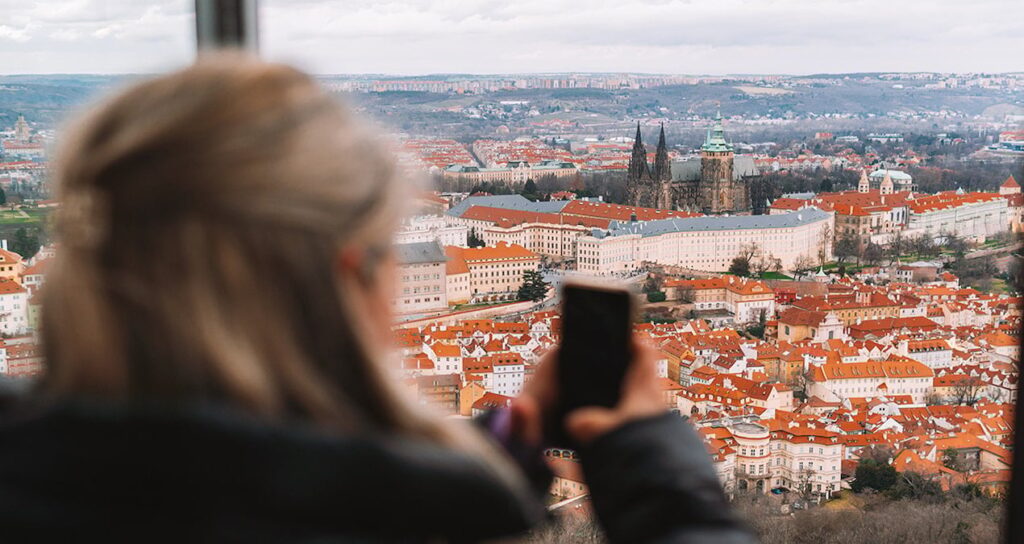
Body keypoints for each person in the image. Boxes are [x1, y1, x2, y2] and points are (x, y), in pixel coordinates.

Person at [0, 54, 755, 543]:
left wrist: (514, 442)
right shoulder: (400, 522)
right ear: (345, 277)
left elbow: (259, 470)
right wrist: (655, 469)